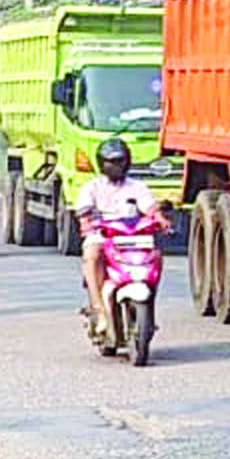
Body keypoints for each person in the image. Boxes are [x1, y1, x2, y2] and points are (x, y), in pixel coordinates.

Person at [75, 138, 162, 326]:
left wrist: (160, 218)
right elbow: (84, 211)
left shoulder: (137, 186)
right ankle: (99, 309)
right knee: (92, 255)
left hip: (131, 237)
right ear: (102, 163)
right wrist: (86, 222)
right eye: (111, 162)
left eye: (120, 161)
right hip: (102, 235)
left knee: (155, 255)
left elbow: (149, 207)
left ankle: (148, 305)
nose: (117, 166)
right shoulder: (92, 187)